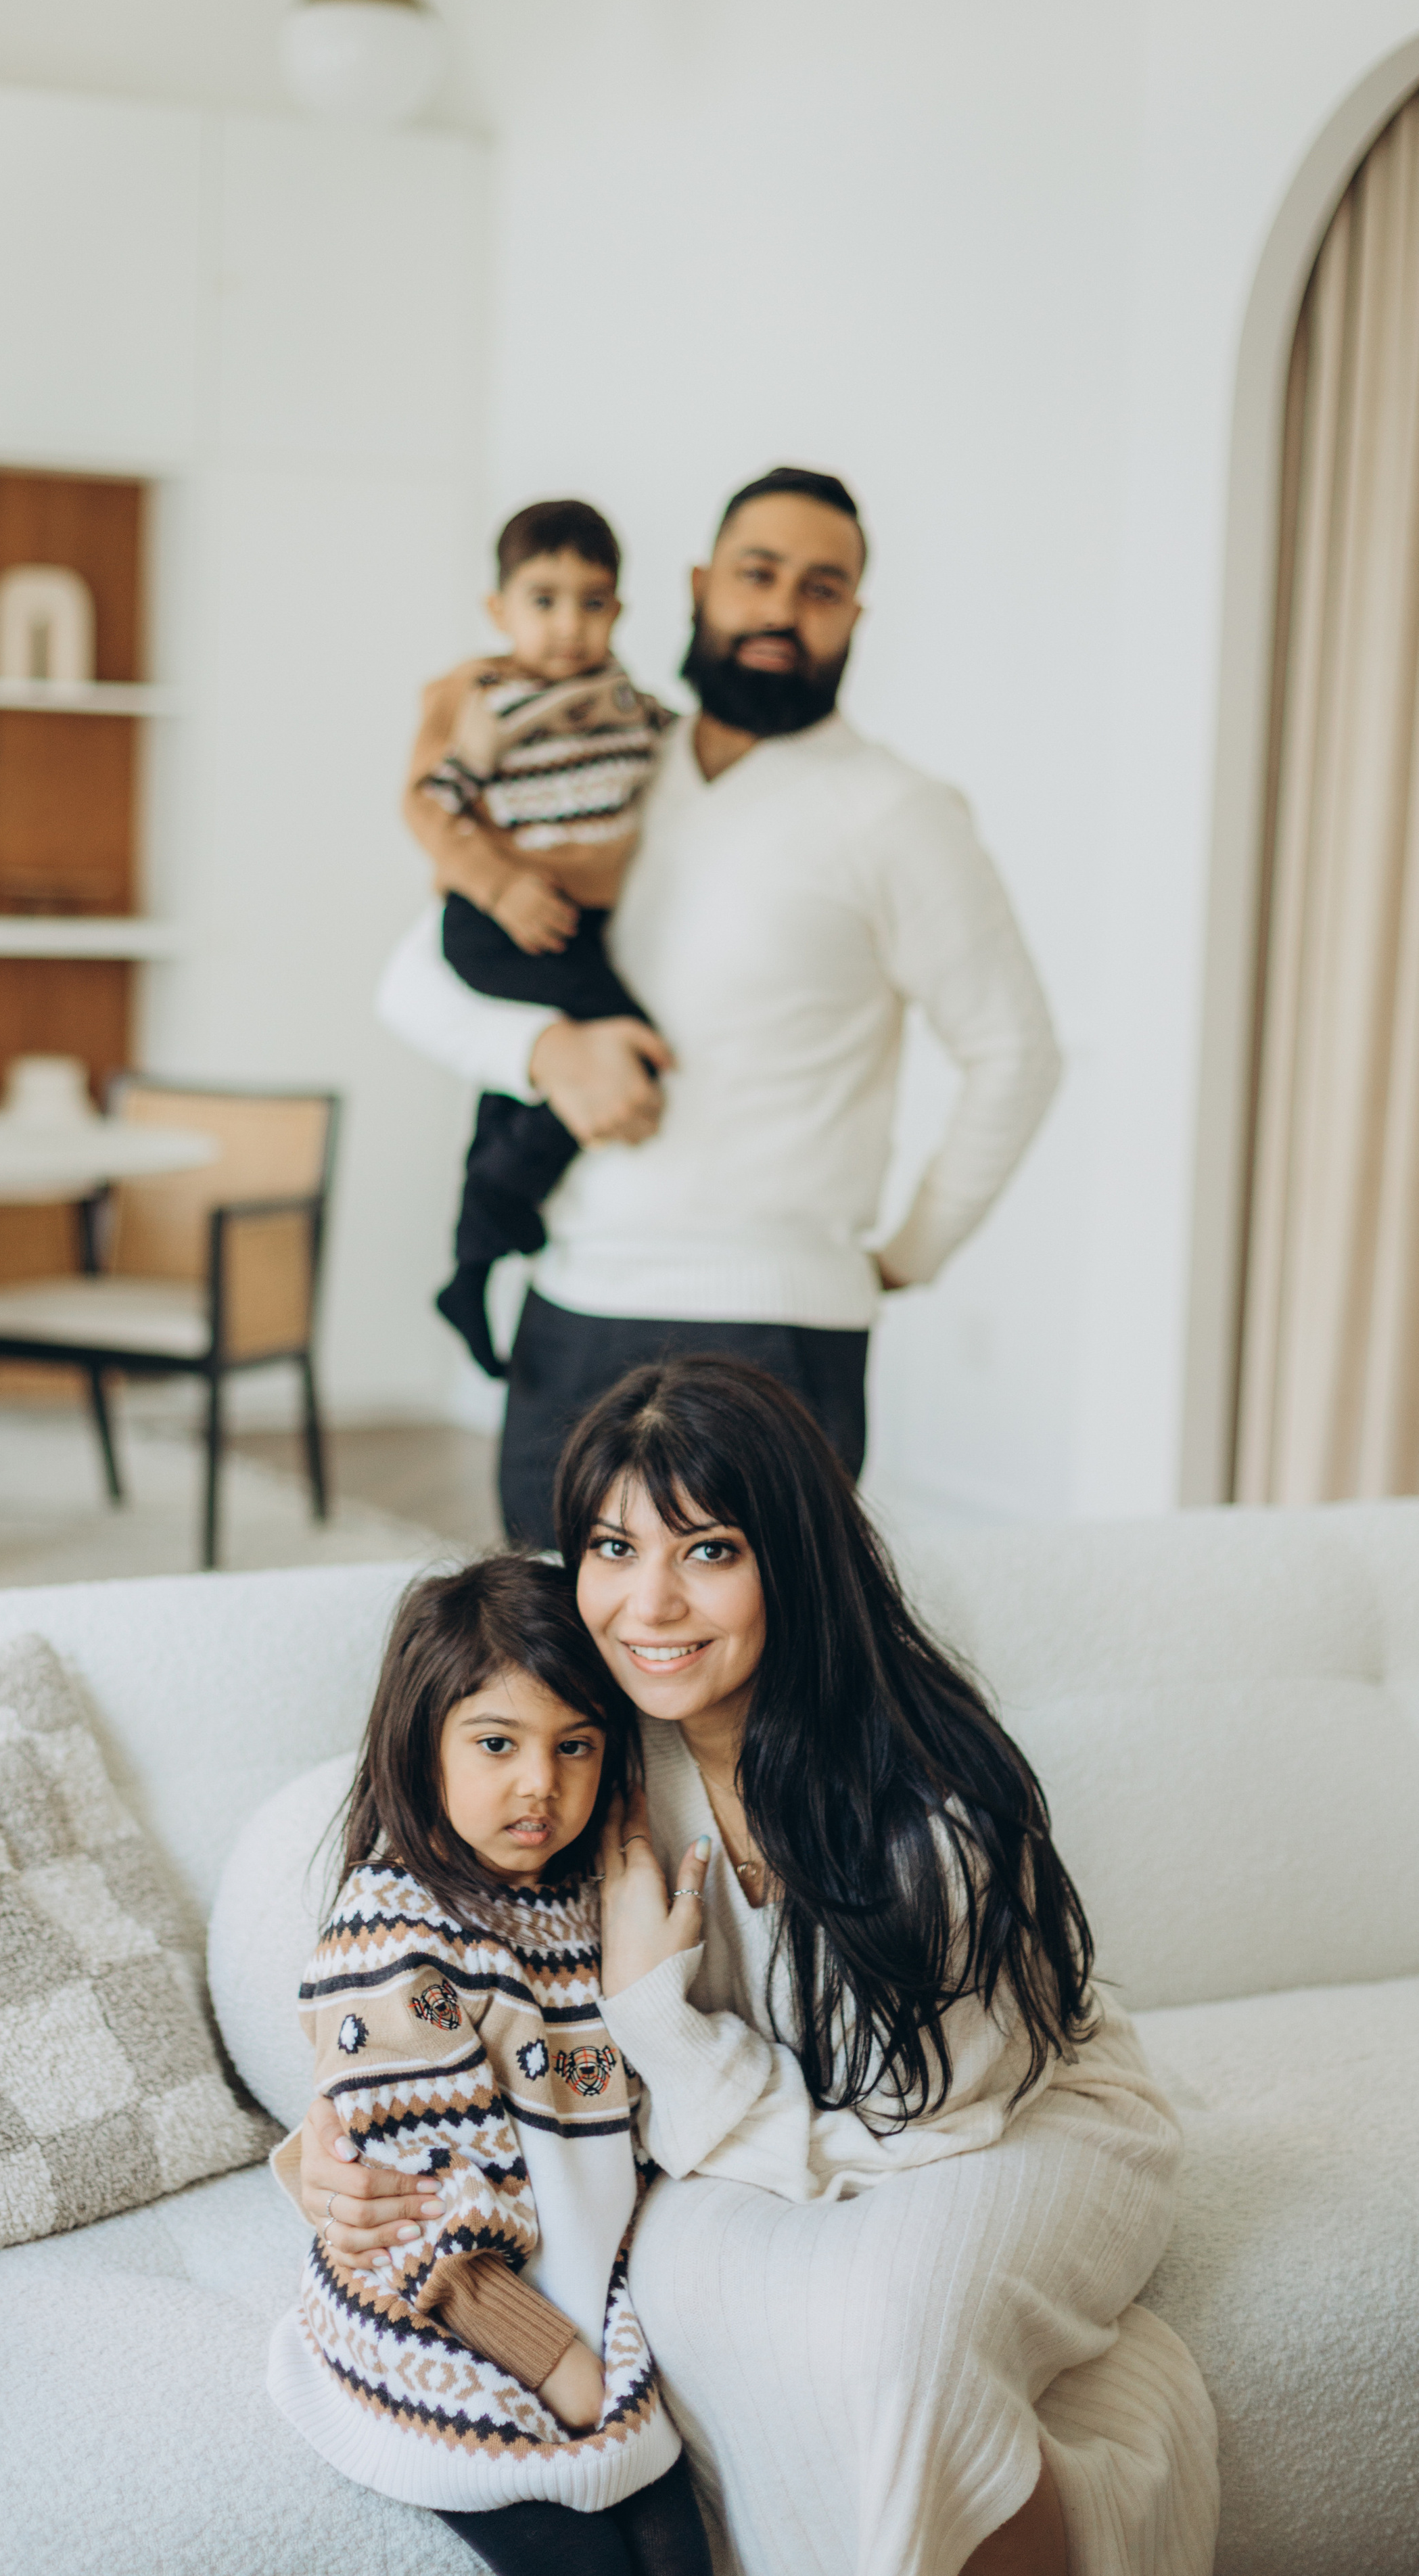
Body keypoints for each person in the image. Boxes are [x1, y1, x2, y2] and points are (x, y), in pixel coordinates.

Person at [291, 1360, 1219, 2576]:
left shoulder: (924, 1816)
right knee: (686, 2328)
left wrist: (654, 2021)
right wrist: (339, 2142)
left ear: (791, 1559)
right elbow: (396, 1886)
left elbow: (919, 2129)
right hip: (743, 2146)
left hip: (998, 2129)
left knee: (894, 2344)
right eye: (614, 1549)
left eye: (710, 1550)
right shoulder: (591, 1747)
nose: (650, 1603)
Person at [380, 466, 1061, 1547]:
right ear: (700, 586)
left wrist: (910, 1254)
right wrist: (549, 1050)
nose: (783, 610)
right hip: (574, 1303)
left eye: (821, 588)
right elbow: (414, 979)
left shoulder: (900, 814)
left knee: (760, 1649)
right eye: (758, 574)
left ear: (855, 617)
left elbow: (1015, 1052)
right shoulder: (608, 762)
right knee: (552, 1634)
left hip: (776, 1326)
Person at [268, 1552, 714, 2576]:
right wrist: (557, 2363)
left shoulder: (574, 1902)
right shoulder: (394, 1935)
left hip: (577, 2301)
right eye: (497, 1743)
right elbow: (418, 2212)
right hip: (440, 2318)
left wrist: (649, 1972)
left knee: (679, 2549)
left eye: (576, 1746)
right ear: (422, 1746)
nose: (539, 1784)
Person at [405, 500, 676, 1379]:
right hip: (503, 920)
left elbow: (679, 755)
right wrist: (499, 888)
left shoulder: (623, 701)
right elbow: (431, 807)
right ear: (500, 609)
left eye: (592, 603)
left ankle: (470, 1271)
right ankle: (502, 1197)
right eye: (544, 601)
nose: (569, 625)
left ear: (619, 610)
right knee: (629, 1049)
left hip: (574, 925)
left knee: (509, 1096)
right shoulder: (486, 699)